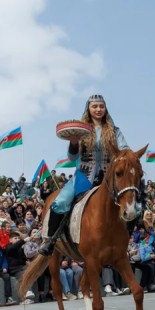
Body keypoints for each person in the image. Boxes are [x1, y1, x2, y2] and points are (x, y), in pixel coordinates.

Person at [39, 94, 130, 255]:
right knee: (61, 201)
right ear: (88, 109)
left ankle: (123, 243)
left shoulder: (115, 131)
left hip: (109, 178)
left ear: (105, 108)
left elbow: (124, 150)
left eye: (101, 106)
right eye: (94, 106)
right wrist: (74, 142)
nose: (98, 109)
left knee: (133, 204)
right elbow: (72, 158)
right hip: (84, 176)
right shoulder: (81, 130)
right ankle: (50, 240)